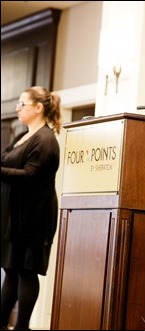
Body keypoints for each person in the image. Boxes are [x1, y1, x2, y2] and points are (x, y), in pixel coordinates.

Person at [1, 86, 62, 330]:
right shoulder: (22, 136)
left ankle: (22, 327)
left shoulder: (46, 140)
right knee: (11, 270)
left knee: (26, 271)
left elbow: (30, 175)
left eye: (22, 104)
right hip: (14, 217)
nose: (17, 108)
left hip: (34, 218)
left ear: (38, 108)